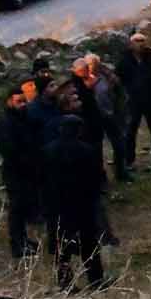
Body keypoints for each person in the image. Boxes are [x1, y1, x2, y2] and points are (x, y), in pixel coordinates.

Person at [42, 114, 107, 290]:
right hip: (82, 204)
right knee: (89, 243)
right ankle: (96, 280)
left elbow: (41, 178)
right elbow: (96, 178)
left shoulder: (48, 150)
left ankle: (65, 283)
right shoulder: (87, 150)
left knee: (60, 245)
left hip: (57, 205)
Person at [0, 86, 42, 259]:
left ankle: (23, 239)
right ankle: (17, 244)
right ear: (9, 102)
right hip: (15, 172)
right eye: (18, 102)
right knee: (16, 209)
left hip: (28, 170)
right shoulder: (6, 123)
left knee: (23, 208)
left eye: (24, 101)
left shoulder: (25, 119)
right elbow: (9, 150)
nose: (22, 105)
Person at [118, 33, 151, 170]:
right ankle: (129, 161)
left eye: (142, 41)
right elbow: (119, 80)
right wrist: (125, 94)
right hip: (133, 101)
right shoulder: (125, 59)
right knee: (130, 131)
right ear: (131, 43)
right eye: (137, 41)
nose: (140, 43)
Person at [89, 54, 131, 183]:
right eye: (90, 65)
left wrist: (120, 112)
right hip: (94, 118)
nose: (92, 67)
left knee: (118, 144)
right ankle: (100, 177)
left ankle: (121, 171)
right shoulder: (84, 80)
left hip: (110, 115)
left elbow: (120, 94)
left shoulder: (107, 77)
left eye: (94, 64)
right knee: (96, 148)